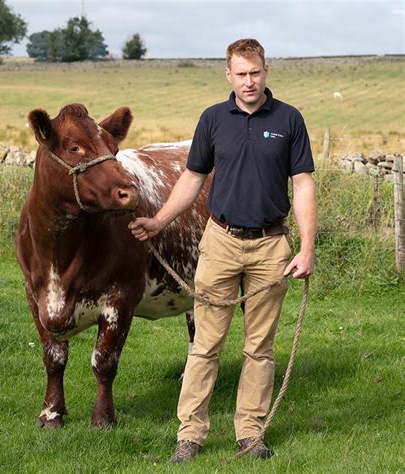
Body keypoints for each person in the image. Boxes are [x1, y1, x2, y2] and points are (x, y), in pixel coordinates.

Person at [129, 38, 316, 463]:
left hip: (271, 247)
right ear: (227, 75)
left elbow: (303, 184)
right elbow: (193, 178)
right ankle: (190, 435)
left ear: (266, 71)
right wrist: (159, 221)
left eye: (255, 72)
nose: (249, 82)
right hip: (219, 243)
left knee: (259, 348)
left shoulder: (289, 119)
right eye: (241, 73)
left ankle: (250, 433)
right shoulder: (213, 119)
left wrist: (305, 249)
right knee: (205, 345)